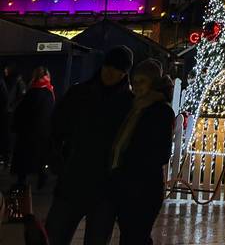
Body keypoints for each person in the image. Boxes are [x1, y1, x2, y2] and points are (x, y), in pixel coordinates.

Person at [45, 46, 134, 245]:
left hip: (105, 186)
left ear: (124, 73)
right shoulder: (80, 93)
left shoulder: (129, 103)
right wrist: (57, 159)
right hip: (73, 178)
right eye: (108, 66)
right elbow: (56, 127)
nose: (110, 72)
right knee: (55, 235)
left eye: (117, 69)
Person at [98, 59, 175, 245]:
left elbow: (161, 153)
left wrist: (132, 165)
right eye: (135, 81)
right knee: (130, 235)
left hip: (144, 187)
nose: (137, 86)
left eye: (143, 81)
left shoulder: (161, 111)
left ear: (153, 82)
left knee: (136, 236)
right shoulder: (133, 107)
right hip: (126, 185)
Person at [12, 67, 55, 188]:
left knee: (24, 157)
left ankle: (21, 182)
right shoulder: (50, 91)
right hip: (43, 131)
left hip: (28, 130)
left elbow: (23, 111)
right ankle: (41, 176)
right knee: (39, 157)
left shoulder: (33, 91)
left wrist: (16, 125)